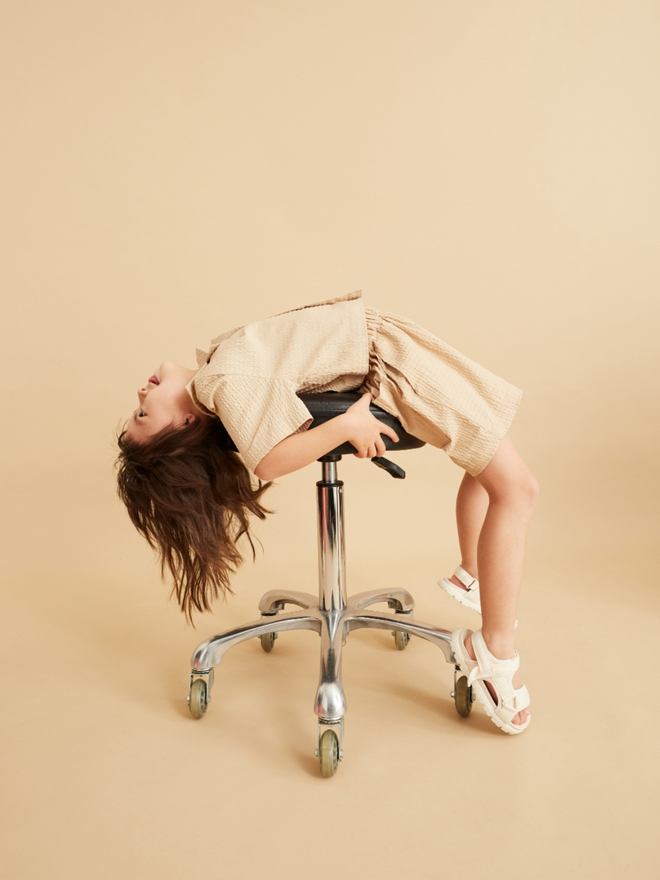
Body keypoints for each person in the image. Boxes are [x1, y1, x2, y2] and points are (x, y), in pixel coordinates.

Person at [116, 291, 538, 734]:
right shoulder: (219, 380)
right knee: (517, 490)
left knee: (488, 455)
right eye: (143, 413)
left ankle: (473, 575)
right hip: (393, 360)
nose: (141, 392)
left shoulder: (214, 372)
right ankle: (494, 650)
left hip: (391, 348)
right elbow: (268, 459)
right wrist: (344, 426)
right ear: (184, 424)